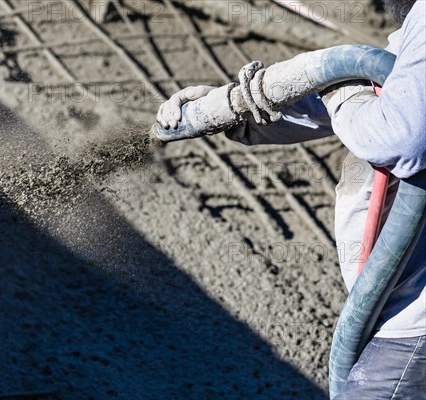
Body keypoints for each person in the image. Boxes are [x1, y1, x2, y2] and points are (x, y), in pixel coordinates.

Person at [156, 1, 426, 398]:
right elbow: (382, 90)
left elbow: (398, 135)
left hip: (414, 323)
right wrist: (237, 111)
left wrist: (339, 85)